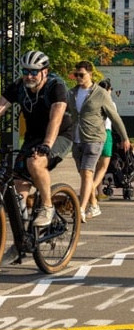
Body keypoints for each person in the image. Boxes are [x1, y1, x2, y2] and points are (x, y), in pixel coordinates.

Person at [0, 50, 74, 227]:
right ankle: (22, 237)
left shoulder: (56, 87)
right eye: (25, 72)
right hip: (33, 136)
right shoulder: (18, 87)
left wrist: (47, 145)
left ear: (45, 72)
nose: (29, 76)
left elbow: (55, 119)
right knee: (18, 181)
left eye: (34, 72)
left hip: (60, 135)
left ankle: (47, 206)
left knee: (35, 162)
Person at [69, 61, 131, 222]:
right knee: (84, 176)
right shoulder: (72, 93)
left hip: (95, 138)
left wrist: (124, 137)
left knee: (87, 173)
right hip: (76, 140)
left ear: (90, 74)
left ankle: (81, 209)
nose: (78, 78)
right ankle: (94, 205)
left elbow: (114, 117)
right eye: (76, 75)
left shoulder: (100, 93)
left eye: (81, 75)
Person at [88, 78, 116, 211]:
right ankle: (92, 188)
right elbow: (115, 120)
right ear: (109, 90)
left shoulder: (92, 101)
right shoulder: (110, 103)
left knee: (93, 166)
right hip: (105, 134)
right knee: (103, 166)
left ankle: (97, 192)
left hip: (92, 135)